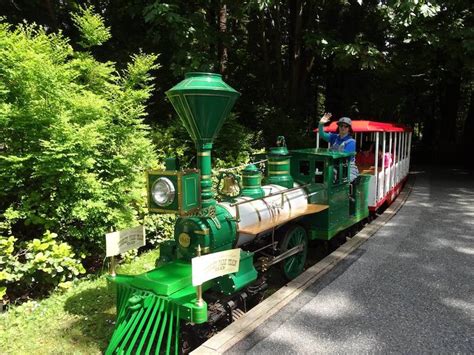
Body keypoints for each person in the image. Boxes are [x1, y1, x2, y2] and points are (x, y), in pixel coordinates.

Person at [319, 113, 359, 182]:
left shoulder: (351, 142)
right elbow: (322, 134)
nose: (343, 128)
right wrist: (321, 124)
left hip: (348, 168)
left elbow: (343, 156)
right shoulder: (334, 137)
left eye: (345, 126)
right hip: (333, 166)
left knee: (345, 182)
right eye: (341, 126)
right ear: (338, 127)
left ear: (349, 129)